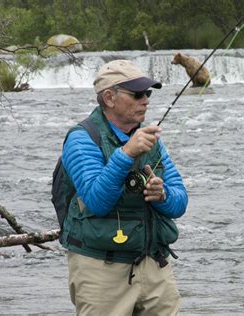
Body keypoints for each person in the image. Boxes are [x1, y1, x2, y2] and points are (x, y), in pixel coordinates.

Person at [59, 59, 188, 315]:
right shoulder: (81, 139)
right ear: (109, 98)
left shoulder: (151, 141)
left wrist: (161, 194)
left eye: (148, 93)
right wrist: (126, 154)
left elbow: (180, 202)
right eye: (138, 94)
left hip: (155, 265)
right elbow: (97, 201)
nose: (146, 100)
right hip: (101, 269)